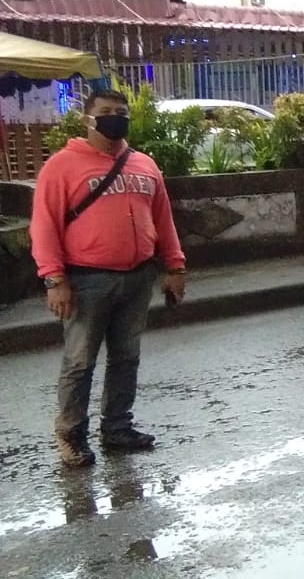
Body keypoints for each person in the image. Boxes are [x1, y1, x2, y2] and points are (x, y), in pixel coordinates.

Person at [30, 88, 187, 468]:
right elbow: (44, 227)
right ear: (88, 118)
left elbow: (163, 219)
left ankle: (117, 428)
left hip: (138, 277)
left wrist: (175, 267)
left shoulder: (144, 165)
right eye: (106, 111)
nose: (115, 117)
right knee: (80, 362)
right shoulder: (62, 166)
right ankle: (71, 436)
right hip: (87, 280)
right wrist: (54, 280)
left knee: (126, 357)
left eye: (121, 111)